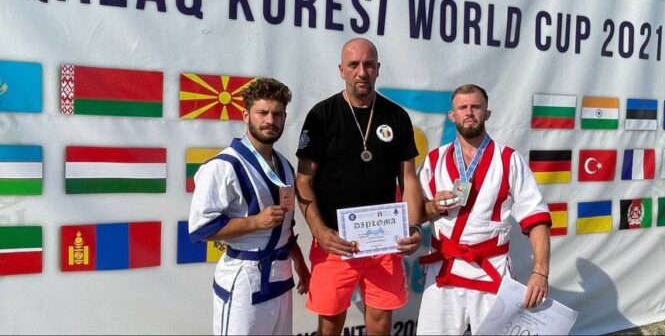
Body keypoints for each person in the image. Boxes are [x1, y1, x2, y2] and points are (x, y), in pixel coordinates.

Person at [295, 37, 423, 335]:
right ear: (341, 70)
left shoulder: (397, 116)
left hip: (384, 241)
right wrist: (319, 230)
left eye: (368, 64)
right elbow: (303, 179)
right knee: (330, 323)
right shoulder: (321, 115)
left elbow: (408, 179)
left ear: (378, 68)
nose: (362, 72)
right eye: (353, 65)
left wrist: (414, 227)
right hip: (335, 240)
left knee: (380, 322)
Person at [416, 84, 551, 335]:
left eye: (476, 107)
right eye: (462, 107)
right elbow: (416, 214)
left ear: (487, 113)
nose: (469, 112)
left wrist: (540, 271)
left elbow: (537, 218)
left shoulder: (509, 159)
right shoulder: (434, 160)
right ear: (452, 115)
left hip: (492, 269)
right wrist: (433, 206)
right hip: (443, 271)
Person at [188, 77, 310, 335]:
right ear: (246, 116)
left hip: (281, 276)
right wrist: (255, 222)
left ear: (285, 117)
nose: (270, 120)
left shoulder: (285, 165)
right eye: (262, 113)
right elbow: (201, 228)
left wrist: (300, 263)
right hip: (244, 278)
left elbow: (286, 228)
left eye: (277, 114)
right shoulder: (223, 166)